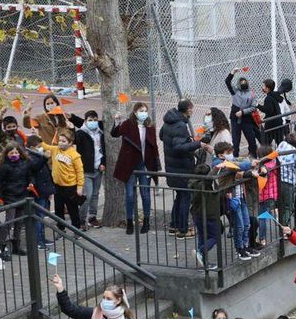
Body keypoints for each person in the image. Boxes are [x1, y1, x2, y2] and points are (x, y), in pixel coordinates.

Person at [111, 103, 161, 235]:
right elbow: (115, 133)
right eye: (141, 110)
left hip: (145, 164)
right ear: (135, 112)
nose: (144, 113)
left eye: (145, 110)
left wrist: (156, 166)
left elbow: (154, 147)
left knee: (145, 194)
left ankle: (146, 221)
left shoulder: (150, 127)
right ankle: (129, 222)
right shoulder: (128, 125)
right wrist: (117, 121)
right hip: (130, 164)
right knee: (130, 195)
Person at [160, 100, 203, 239]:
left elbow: (162, 136)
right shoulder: (180, 125)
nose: (192, 111)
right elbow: (179, 147)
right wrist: (197, 144)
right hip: (181, 168)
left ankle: (174, 225)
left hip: (172, 168)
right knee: (185, 197)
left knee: (179, 196)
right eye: (192, 109)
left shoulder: (169, 122)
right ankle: (182, 229)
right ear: (188, 109)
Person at [73, 111, 106, 228]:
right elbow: (74, 140)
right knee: (87, 195)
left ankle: (92, 217)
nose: (93, 122)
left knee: (96, 194)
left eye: (95, 120)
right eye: (90, 120)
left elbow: (103, 150)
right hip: (86, 170)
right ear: (85, 121)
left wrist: (103, 163)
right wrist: (71, 122)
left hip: (98, 169)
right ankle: (81, 220)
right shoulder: (81, 133)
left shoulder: (100, 132)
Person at [225, 68, 261, 157]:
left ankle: (254, 156)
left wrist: (243, 112)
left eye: (245, 82)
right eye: (241, 82)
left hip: (246, 119)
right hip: (235, 119)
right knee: (236, 141)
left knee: (251, 139)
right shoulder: (235, 91)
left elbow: (253, 107)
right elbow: (227, 82)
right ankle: (235, 158)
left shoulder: (251, 94)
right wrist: (232, 72)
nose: (243, 83)